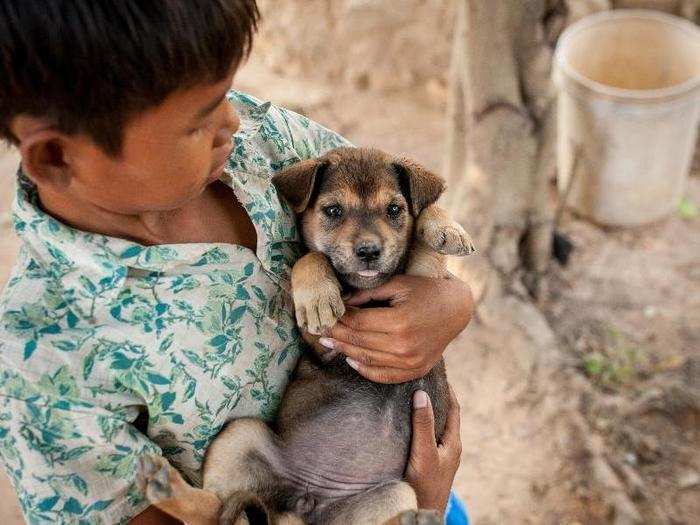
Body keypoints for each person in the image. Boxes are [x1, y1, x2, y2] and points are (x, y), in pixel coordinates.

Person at [0, 1, 473, 523]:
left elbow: (395, 205)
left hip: (384, 476)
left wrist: (451, 301)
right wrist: (424, 500)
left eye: (225, 94)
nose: (233, 120)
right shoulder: (44, 356)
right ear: (56, 157)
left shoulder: (262, 145)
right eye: (199, 121)